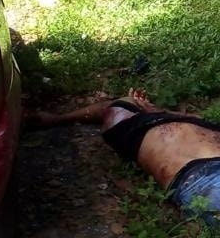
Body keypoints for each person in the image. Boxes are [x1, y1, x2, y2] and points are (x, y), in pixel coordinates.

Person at [29, 89, 220, 218]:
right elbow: (110, 108)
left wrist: (160, 109)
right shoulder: (126, 127)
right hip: (198, 173)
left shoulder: (183, 120)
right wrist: (57, 119)